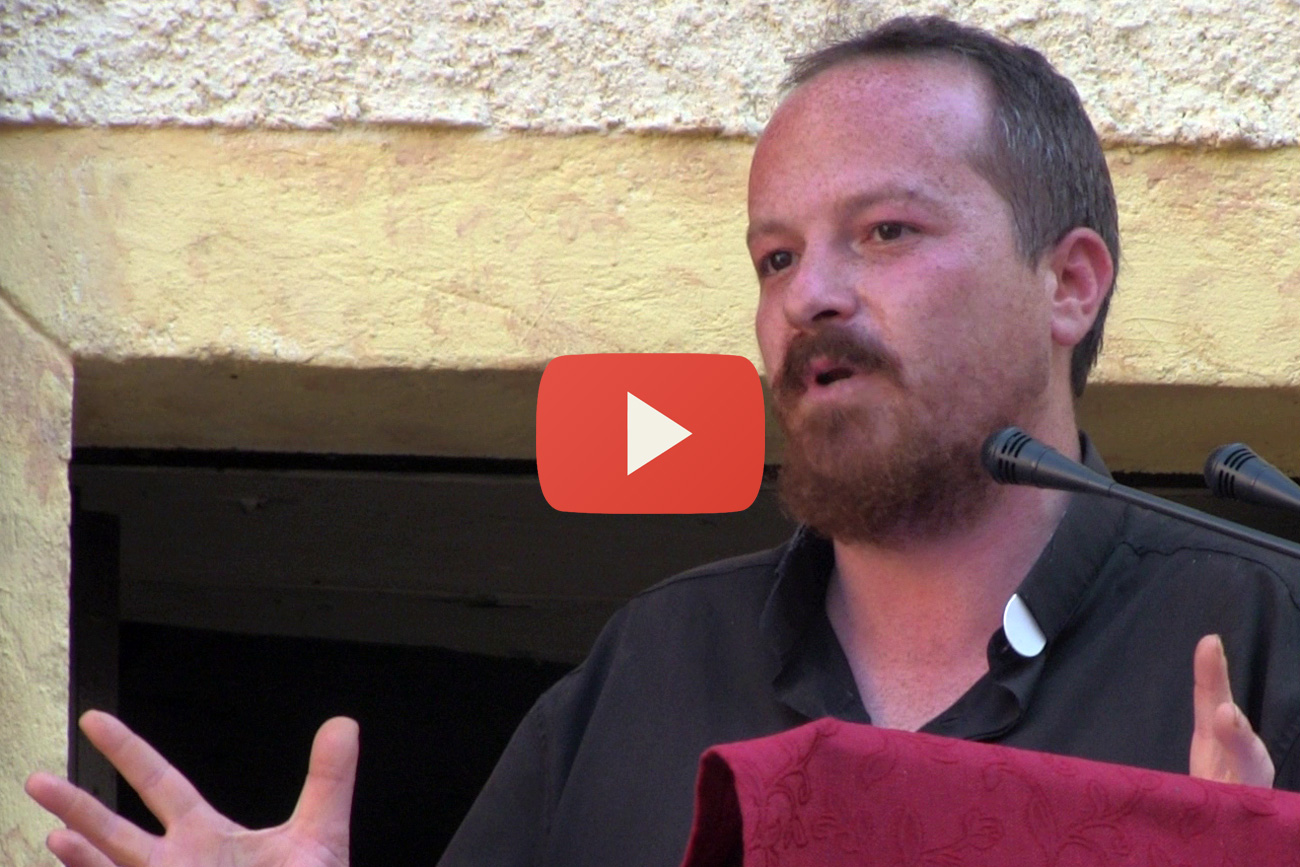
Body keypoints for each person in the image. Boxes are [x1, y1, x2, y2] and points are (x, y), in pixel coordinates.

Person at [26, 15, 1299, 867]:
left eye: (886, 233)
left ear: (1068, 284)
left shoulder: (1263, 638)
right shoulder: (645, 672)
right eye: (776, 257)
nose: (811, 296)